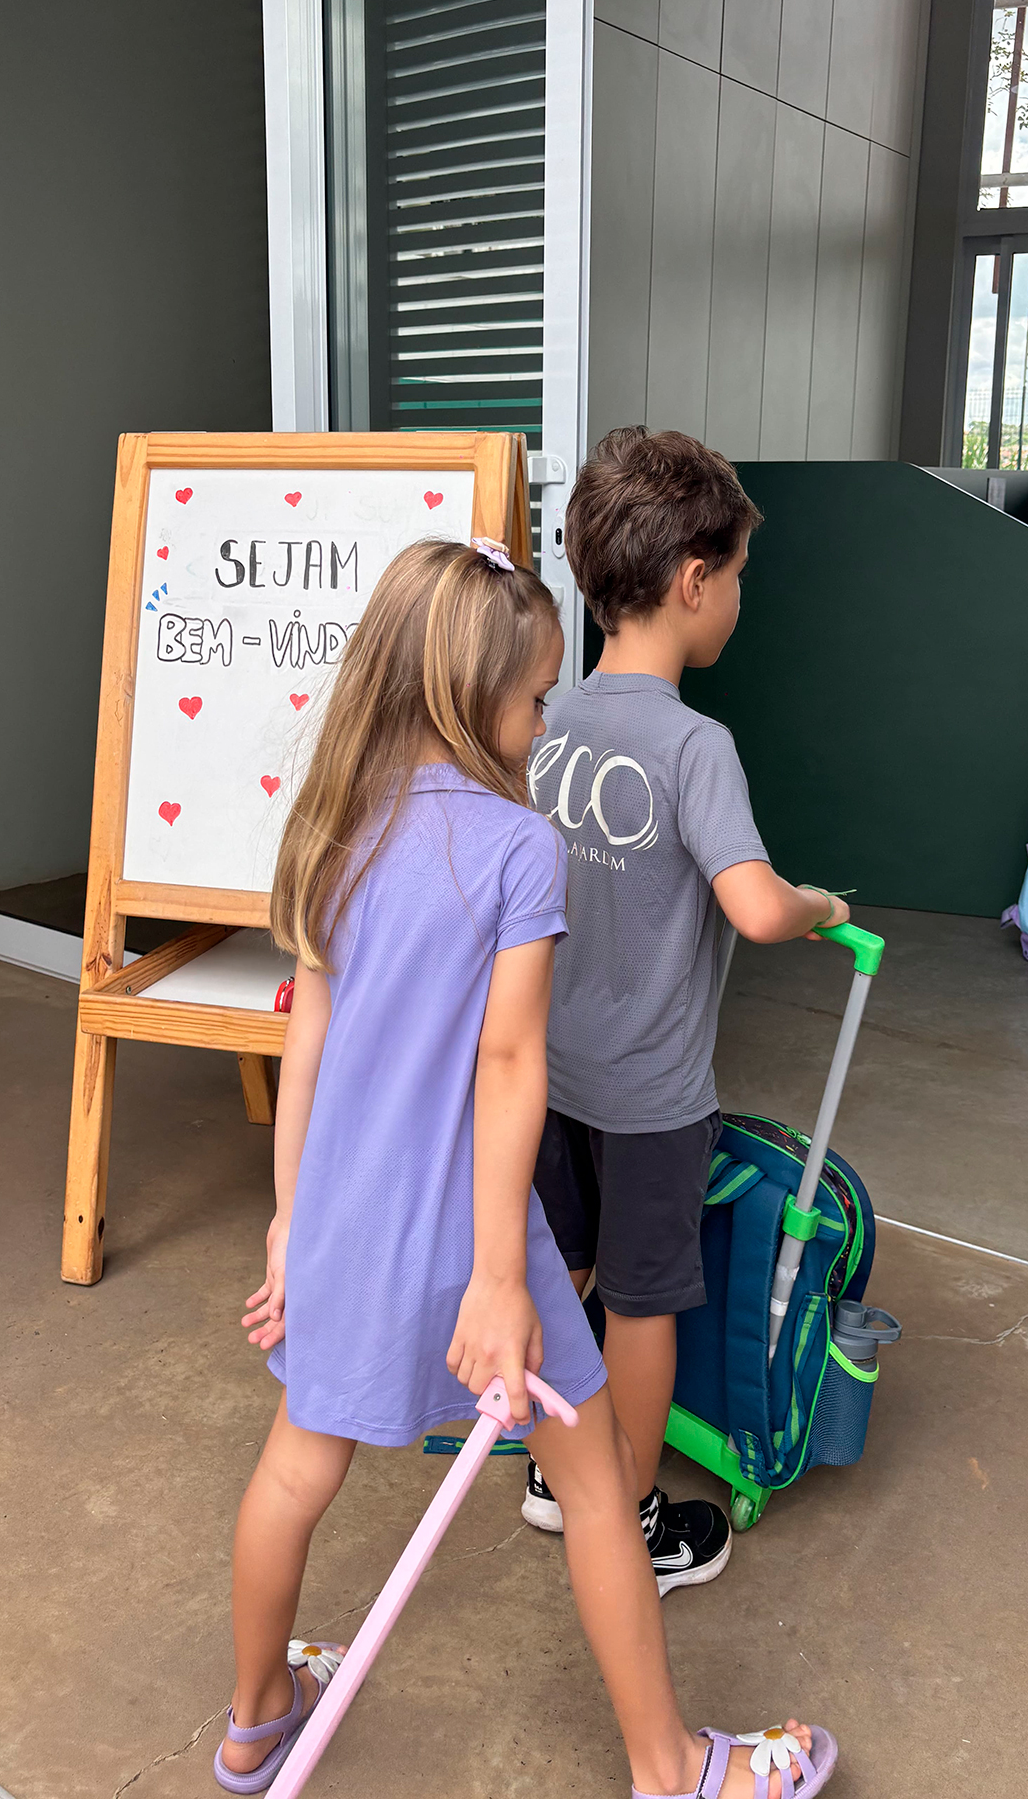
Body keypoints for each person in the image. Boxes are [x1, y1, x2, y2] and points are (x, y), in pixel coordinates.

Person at [215, 536, 837, 1797]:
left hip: (339, 1214)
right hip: (470, 1228)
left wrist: (289, 1217)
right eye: (539, 695)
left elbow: (307, 1040)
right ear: (473, 693)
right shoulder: (516, 844)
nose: (547, 720)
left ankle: (254, 1718)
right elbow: (510, 1063)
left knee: (294, 1466)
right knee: (597, 1482)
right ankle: (671, 1765)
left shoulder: (332, 822)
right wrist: (502, 1274)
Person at [523, 429, 850, 1592]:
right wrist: (820, 903)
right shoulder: (697, 746)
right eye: (740, 576)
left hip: (541, 1072)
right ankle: (628, 1511)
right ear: (695, 580)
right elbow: (755, 907)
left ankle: (551, 1470)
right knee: (643, 1301)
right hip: (651, 1097)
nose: (740, 598)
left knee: (559, 1271)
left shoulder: (548, 717)